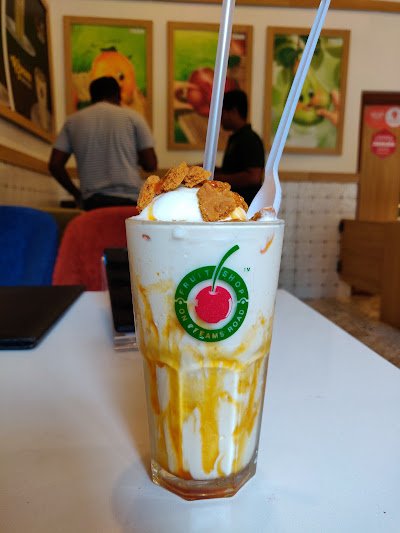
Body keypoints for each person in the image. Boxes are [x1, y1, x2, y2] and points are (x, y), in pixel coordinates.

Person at [48, 76, 157, 210]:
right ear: (118, 95)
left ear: (92, 97)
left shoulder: (73, 121)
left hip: (92, 204)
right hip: (129, 202)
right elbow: (151, 164)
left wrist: (77, 194)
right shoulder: (134, 118)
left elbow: (55, 165)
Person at [213, 89, 265, 205]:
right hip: (234, 204)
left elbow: (253, 177)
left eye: (222, 113)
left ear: (233, 111)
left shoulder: (250, 139)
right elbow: (233, 170)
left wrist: (216, 178)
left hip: (245, 206)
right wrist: (211, 169)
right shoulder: (236, 138)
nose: (220, 118)